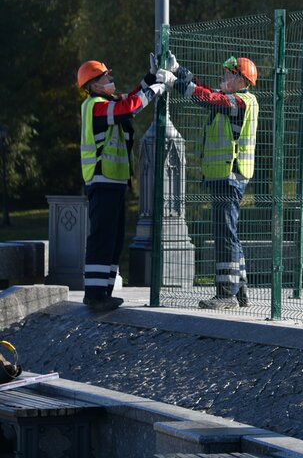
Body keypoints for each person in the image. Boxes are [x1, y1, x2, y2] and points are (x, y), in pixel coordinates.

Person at [78, 58, 168, 311]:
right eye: (105, 78)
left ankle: (103, 292)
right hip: (102, 180)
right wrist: (157, 90)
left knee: (114, 239)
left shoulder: (108, 102)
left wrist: (150, 78)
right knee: (102, 238)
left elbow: (130, 98)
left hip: (114, 181)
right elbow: (130, 108)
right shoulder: (96, 106)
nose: (110, 81)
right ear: (94, 85)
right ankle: (94, 295)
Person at [171, 56, 259, 310]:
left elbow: (206, 98)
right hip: (225, 176)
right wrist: (178, 71)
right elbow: (206, 92)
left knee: (224, 234)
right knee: (228, 231)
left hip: (229, 177)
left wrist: (173, 83)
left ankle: (225, 295)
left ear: (240, 80)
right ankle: (239, 286)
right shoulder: (232, 100)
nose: (223, 76)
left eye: (228, 73)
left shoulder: (239, 102)